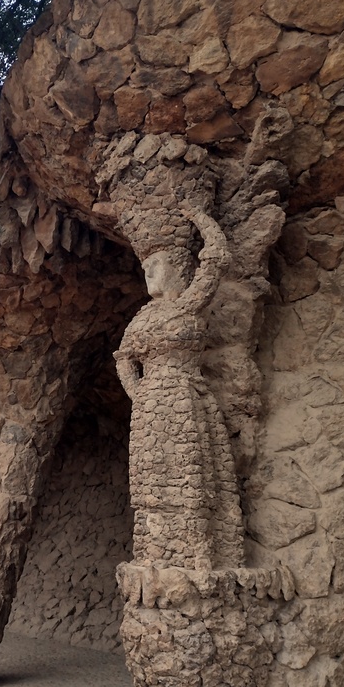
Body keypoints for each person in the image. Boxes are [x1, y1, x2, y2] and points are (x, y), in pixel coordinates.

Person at [114, 209, 244, 571]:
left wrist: (199, 217)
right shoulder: (142, 318)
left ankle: (203, 551)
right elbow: (124, 359)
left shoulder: (189, 303)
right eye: (145, 268)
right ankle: (156, 549)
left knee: (194, 473)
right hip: (151, 409)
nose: (148, 273)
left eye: (155, 266)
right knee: (153, 477)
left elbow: (216, 259)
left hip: (187, 398)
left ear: (177, 268)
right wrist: (140, 395)